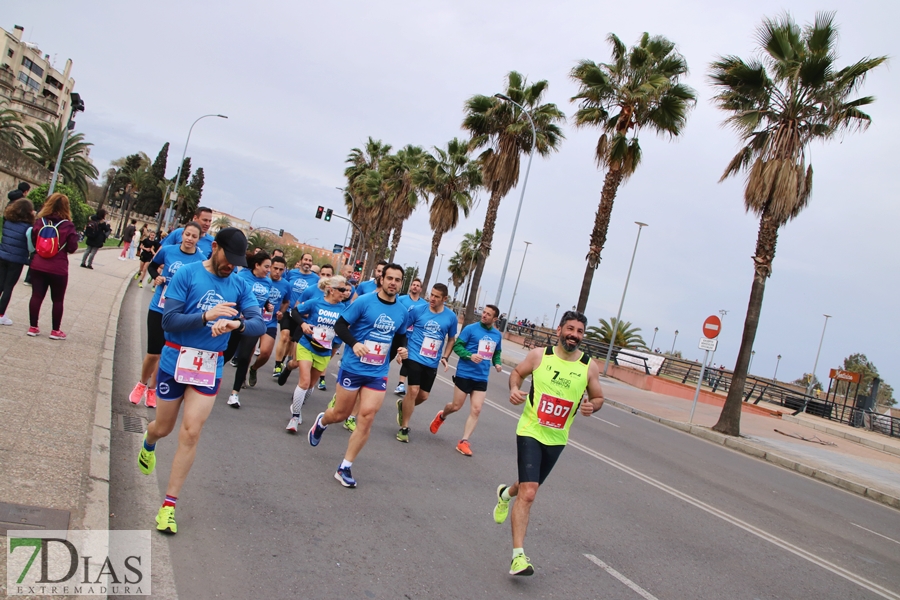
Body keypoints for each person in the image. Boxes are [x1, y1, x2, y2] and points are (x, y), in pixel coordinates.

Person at [137, 227, 264, 535]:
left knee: (192, 432)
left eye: (236, 261)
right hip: (175, 359)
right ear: (215, 247)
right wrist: (206, 317)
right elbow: (169, 321)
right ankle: (149, 441)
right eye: (227, 258)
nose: (230, 266)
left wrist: (237, 323)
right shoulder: (188, 274)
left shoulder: (238, 284)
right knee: (163, 427)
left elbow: (258, 322)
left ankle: (168, 506)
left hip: (209, 366)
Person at [492, 311, 605, 576]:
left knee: (525, 486)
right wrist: (513, 389)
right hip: (531, 430)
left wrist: (592, 406)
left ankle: (505, 494)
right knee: (530, 492)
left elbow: (599, 397)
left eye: (579, 331)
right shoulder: (540, 356)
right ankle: (518, 557)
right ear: (559, 330)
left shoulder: (589, 366)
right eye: (570, 329)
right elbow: (517, 374)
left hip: (558, 438)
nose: (574, 335)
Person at [307, 263, 410, 488]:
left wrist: (402, 350)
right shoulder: (364, 302)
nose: (393, 282)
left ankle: (344, 466)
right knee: (341, 414)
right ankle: (322, 421)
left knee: (367, 416)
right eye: (389, 278)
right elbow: (341, 326)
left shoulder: (402, 311)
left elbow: (401, 336)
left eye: (398, 279)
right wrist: (354, 344)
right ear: (381, 279)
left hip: (378, 371)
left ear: (402, 283)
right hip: (353, 367)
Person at [129, 222, 205, 409]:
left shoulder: (200, 260)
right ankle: (141, 383)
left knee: (164, 353)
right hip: (159, 307)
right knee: (153, 353)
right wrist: (157, 277)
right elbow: (153, 266)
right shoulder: (168, 251)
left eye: (194, 236)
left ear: (198, 239)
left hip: (179, 313)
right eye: (187, 234)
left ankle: (152, 390)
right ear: (182, 235)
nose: (189, 239)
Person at [429, 304, 503, 456]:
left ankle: (463, 441)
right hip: (465, 373)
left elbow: (496, 352)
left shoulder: (497, 335)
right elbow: (457, 347)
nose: (484, 315)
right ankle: (442, 415)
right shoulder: (471, 329)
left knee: (477, 409)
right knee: (456, 406)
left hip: (481, 376)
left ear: (495, 319)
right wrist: (470, 355)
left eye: (488, 314)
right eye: (484, 312)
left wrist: (497, 363)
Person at [284, 275, 348, 432]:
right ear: (331, 290)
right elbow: (295, 312)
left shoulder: (344, 309)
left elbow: (349, 326)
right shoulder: (316, 302)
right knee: (304, 382)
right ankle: (295, 417)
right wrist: (303, 324)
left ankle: (297, 405)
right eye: (341, 289)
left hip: (324, 350)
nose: (344, 292)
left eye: (346, 290)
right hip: (307, 344)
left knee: (311, 385)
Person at [396, 283, 457, 443]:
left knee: (423, 396)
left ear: (445, 299)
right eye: (432, 295)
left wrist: (445, 356)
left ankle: (404, 406)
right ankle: (404, 428)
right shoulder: (418, 310)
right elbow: (403, 328)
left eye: (437, 297)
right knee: (413, 390)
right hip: (414, 355)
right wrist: (402, 348)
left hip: (432, 361)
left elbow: (451, 339)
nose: (432, 299)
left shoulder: (450, 317)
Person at [27, 193, 79, 339]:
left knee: (36, 295)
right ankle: (55, 330)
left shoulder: (40, 222)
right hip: (58, 267)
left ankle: (33, 327)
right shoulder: (68, 226)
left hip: (38, 264)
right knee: (57, 299)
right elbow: (72, 247)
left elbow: (33, 239)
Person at [225, 251, 273, 408]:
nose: (268, 270)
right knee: (226, 354)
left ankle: (234, 394)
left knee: (245, 358)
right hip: (236, 321)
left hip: (253, 324)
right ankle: (207, 379)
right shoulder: (242, 277)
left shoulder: (268, 282)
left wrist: (267, 305)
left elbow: (262, 299)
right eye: (266, 266)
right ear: (256, 265)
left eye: (270, 267)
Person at [247, 255, 290, 384]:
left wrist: (280, 312)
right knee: (249, 351)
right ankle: (242, 375)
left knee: (265, 353)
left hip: (270, 322)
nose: (277, 271)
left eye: (281, 269)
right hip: (254, 320)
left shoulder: (286, 285)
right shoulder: (261, 280)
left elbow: (286, 302)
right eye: (275, 268)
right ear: (269, 267)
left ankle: (254, 368)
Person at [274, 253, 318, 375]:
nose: (307, 262)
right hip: (288, 311)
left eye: (310, 260)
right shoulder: (291, 273)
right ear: (301, 261)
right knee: (284, 336)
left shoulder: (315, 279)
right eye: (305, 259)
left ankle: (284, 361)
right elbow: (284, 286)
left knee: (291, 341)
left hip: (302, 315)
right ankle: (277, 365)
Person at [0, 198, 35, 326]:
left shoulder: (8, 222)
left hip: (2, 255)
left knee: (0, 284)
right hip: (17, 259)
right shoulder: (28, 228)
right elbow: (31, 247)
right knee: (9, 286)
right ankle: (1, 314)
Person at [394, 277, 428, 396]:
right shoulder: (402, 299)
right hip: (398, 332)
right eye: (413, 284)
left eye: (418, 285)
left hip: (413, 336)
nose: (415, 286)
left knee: (407, 359)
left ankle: (401, 384)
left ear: (421, 289)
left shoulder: (424, 304)